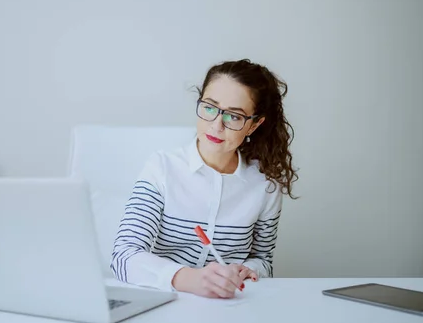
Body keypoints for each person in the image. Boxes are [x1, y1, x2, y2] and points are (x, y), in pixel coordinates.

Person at [110, 59, 298, 299]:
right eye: (209, 107)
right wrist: (190, 279)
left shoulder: (265, 185)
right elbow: (124, 256)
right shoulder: (162, 168)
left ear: (254, 125)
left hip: (231, 307)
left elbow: (263, 260)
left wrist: (248, 270)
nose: (217, 125)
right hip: (165, 301)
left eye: (234, 116)